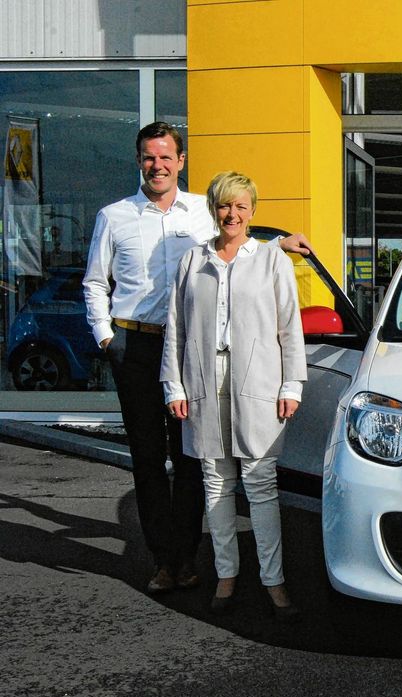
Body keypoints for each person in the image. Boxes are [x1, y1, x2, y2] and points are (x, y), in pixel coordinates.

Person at [83, 121, 310, 594]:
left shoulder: (202, 212)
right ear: (139, 161)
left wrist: (277, 246)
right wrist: (108, 338)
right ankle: (163, 560)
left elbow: (231, 249)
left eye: (166, 157)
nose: (158, 165)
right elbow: (95, 282)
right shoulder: (114, 216)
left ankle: (187, 557)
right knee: (148, 458)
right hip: (137, 345)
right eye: (150, 157)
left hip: (192, 349)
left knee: (192, 460)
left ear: (180, 161)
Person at [161, 171, 306, 620]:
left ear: (252, 210)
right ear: (213, 209)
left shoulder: (271, 260)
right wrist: (174, 384)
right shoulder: (193, 260)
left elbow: (290, 327)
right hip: (204, 378)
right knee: (216, 483)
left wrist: (292, 384)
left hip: (258, 379)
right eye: (225, 205)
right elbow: (176, 327)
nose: (232, 214)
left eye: (241, 205)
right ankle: (226, 575)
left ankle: (273, 580)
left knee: (260, 484)